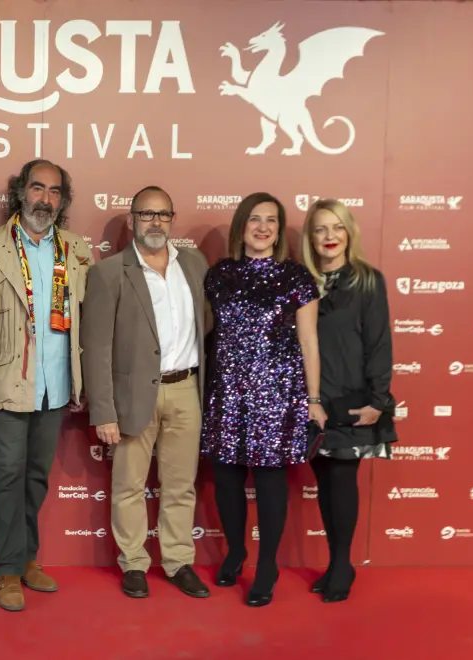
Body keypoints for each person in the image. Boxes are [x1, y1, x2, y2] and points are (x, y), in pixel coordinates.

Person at [0, 159, 92, 611]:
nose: (46, 198)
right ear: (21, 193)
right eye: (38, 188)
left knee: (35, 478)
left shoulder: (75, 250)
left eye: (55, 191)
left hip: (55, 387)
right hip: (4, 383)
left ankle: (27, 558)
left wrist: (86, 382)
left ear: (63, 200)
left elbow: (86, 323)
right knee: (5, 477)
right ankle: (6, 571)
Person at [81, 186, 211, 600]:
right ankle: (134, 562)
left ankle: (177, 561)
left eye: (163, 215)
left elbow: (205, 327)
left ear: (172, 219)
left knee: (180, 485)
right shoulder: (109, 272)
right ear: (132, 219)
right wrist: (103, 410)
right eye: (146, 214)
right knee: (128, 485)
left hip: (186, 388)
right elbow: (96, 346)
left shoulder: (194, 264)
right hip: (132, 395)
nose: (155, 222)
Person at [200, 192, 324, 607]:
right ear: (241, 225)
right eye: (254, 219)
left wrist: (314, 398)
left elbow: (308, 341)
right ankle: (236, 551)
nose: (263, 227)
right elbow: (207, 335)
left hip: (277, 393)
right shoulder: (218, 276)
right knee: (227, 477)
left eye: (272, 220)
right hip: (228, 391)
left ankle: (267, 564)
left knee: (270, 480)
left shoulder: (297, 277)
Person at [301, 198, 397, 603]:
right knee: (325, 481)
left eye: (336, 227)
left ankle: (342, 563)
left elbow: (378, 343)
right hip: (313, 400)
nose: (329, 236)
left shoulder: (368, 280)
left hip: (354, 400)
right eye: (321, 228)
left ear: (349, 233)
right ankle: (338, 562)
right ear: (310, 236)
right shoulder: (302, 282)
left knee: (342, 479)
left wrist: (379, 399)